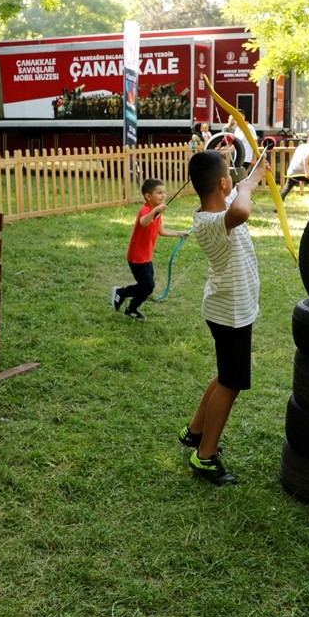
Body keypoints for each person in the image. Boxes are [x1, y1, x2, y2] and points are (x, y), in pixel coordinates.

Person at [177, 147, 269, 486]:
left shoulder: (221, 206)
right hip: (230, 312)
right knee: (231, 383)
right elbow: (243, 208)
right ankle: (204, 456)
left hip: (228, 308)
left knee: (225, 375)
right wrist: (245, 187)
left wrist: (256, 173)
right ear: (222, 182)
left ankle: (195, 430)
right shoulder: (212, 222)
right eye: (231, 176)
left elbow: (244, 193)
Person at [111, 178, 187, 321]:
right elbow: (144, 222)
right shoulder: (145, 211)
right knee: (148, 285)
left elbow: (161, 230)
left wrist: (179, 233)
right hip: (136, 257)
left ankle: (126, 300)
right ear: (148, 196)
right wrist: (155, 211)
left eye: (164, 192)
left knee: (146, 286)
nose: (163, 196)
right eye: (159, 193)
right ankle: (124, 298)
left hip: (147, 257)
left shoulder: (157, 212)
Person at [279, 135, 309, 202]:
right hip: (300, 171)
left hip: (292, 170)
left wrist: (304, 174)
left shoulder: (301, 146)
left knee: (287, 188)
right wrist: (306, 173)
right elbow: (305, 159)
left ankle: (278, 206)